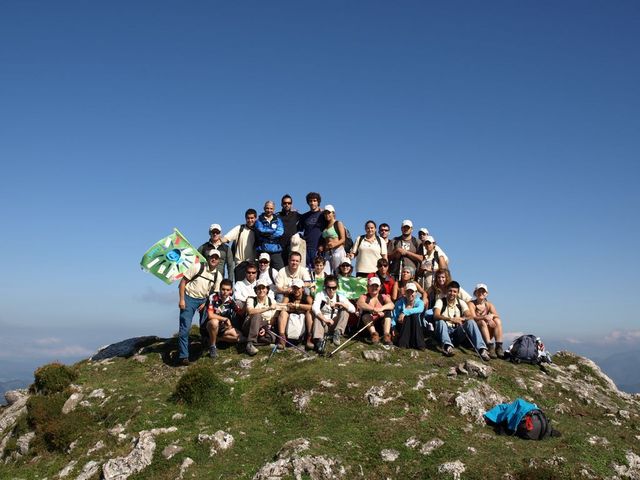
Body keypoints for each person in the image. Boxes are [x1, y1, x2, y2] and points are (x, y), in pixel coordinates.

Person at [177, 249, 222, 366]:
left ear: (219, 261)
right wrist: (182, 299)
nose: (214, 259)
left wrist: (206, 301)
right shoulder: (197, 267)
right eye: (212, 257)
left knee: (206, 325)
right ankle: (184, 356)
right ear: (208, 257)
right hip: (188, 298)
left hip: (203, 300)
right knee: (185, 328)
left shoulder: (218, 275)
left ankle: (206, 346)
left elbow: (214, 293)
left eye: (216, 258)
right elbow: (182, 283)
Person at [433, 281, 490, 360]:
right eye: (450, 291)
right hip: (443, 331)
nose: (452, 293)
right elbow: (436, 315)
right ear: (447, 291)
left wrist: (462, 319)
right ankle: (447, 347)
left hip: (456, 332)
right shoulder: (440, 301)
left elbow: (470, 316)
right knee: (440, 322)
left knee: (471, 322)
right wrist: (451, 319)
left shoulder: (461, 302)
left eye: (454, 291)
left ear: (458, 292)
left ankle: (482, 349)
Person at [311, 274, 355, 351]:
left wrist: (341, 304)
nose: (331, 290)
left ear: (337, 287)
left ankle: (337, 333)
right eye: (329, 287)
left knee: (345, 311)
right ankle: (319, 341)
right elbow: (315, 308)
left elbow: (353, 309)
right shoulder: (320, 295)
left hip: (335, 324)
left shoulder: (340, 297)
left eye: (334, 288)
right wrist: (325, 319)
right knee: (317, 316)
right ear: (325, 286)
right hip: (323, 324)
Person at [242, 278, 285, 356]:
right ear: (256, 290)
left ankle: (252, 341)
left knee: (272, 338)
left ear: (267, 289)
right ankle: (250, 343)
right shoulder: (251, 299)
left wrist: (266, 327)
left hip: (264, 326)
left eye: (263, 288)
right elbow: (251, 311)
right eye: (259, 288)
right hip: (250, 324)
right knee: (257, 315)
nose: (261, 290)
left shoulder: (272, 301)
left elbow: (273, 318)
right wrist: (268, 308)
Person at [203, 279, 241, 359]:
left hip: (223, 328)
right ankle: (213, 347)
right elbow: (210, 315)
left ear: (231, 291)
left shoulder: (230, 300)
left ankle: (217, 339)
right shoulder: (213, 297)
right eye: (223, 289)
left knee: (239, 337)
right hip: (210, 326)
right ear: (220, 289)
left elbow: (240, 312)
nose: (225, 292)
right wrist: (225, 319)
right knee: (214, 322)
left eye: (227, 290)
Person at [276, 278, 314, 350]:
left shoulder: (307, 297)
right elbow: (282, 306)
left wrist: (297, 306)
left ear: (302, 289)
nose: (296, 291)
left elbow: (312, 306)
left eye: (298, 288)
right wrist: (289, 306)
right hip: (291, 320)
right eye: (294, 288)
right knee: (283, 313)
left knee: (309, 313)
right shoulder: (288, 296)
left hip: (303, 321)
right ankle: (282, 337)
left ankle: (309, 337)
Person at [469, 283, 505, 358]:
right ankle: (489, 346)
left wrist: (491, 316)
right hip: (477, 330)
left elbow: (496, 315)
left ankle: (499, 346)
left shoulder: (489, 305)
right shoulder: (471, 304)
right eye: (479, 291)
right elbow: (473, 317)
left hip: (487, 329)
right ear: (475, 293)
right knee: (482, 322)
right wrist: (485, 317)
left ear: (486, 293)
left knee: (497, 320)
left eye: (483, 291)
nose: (481, 293)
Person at [357, 277, 394, 345]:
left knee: (388, 311)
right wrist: (373, 309)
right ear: (368, 287)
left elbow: (391, 305)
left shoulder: (383, 296)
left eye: (376, 286)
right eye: (372, 285)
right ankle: (374, 335)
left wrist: (381, 309)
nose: (374, 288)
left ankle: (386, 335)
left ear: (380, 287)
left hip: (380, 324)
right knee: (365, 313)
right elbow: (360, 304)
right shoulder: (364, 296)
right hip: (367, 326)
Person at [222, 209, 257, 282]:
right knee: (240, 290)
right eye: (248, 218)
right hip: (240, 265)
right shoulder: (240, 229)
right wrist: (217, 240)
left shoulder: (259, 230)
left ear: (255, 218)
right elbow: (226, 238)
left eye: (252, 218)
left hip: (253, 265)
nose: (250, 220)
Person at [392, 282, 426, 350]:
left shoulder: (420, 302)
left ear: (416, 293)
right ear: (405, 293)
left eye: (412, 292)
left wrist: (405, 312)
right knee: (408, 317)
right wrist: (393, 328)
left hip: (415, 327)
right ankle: (403, 344)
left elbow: (420, 309)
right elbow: (394, 315)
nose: (410, 294)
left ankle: (419, 344)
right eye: (408, 292)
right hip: (401, 326)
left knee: (414, 315)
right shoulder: (399, 302)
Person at [254, 200, 285, 271]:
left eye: (271, 208)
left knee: (280, 270)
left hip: (275, 250)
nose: (269, 210)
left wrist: (267, 233)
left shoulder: (278, 220)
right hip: (263, 249)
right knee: (261, 272)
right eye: (267, 208)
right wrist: (273, 231)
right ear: (264, 208)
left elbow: (280, 232)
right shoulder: (259, 220)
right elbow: (260, 230)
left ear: (274, 209)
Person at [299, 192, 325, 269]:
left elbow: (328, 230)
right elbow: (298, 229)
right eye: (310, 201)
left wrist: (323, 245)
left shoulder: (323, 215)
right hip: (306, 248)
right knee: (306, 271)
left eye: (314, 201)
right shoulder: (304, 216)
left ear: (318, 202)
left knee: (318, 272)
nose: (312, 203)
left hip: (318, 248)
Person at [318, 204, 348, 273]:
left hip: (338, 251)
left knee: (338, 274)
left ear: (333, 213)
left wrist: (334, 244)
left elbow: (343, 239)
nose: (327, 215)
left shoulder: (338, 223)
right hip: (327, 253)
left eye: (329, 213)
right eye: (325, 213)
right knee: (326, 273)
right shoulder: (325, 226)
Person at [278, 194, 301, 265]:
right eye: (285, 203)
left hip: (291, 247)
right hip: (280, 248)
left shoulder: (295, 214)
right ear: (281, 204)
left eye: (289, 203)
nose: (287, 205)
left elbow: (307, 217)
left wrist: (319, 211)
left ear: (291, 204)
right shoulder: (277, 216)